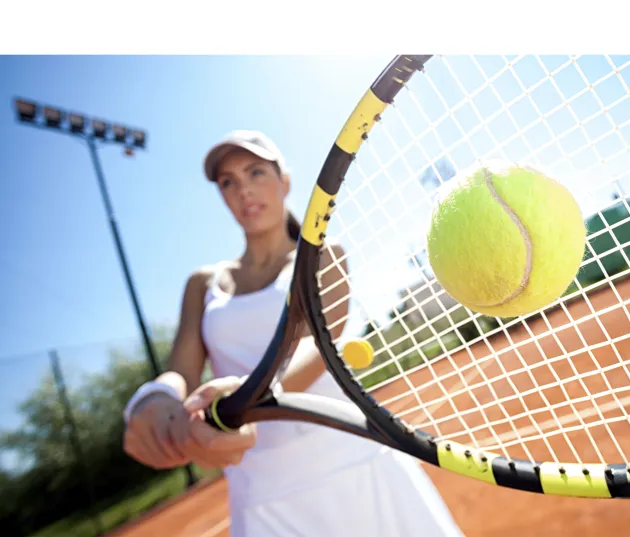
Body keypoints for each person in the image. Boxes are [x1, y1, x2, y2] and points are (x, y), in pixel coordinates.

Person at [122, 130, 465, 537]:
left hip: (355, 462)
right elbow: (180, 369)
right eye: (228, 182)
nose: (244, 190)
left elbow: (316, 346)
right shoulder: (203, 283)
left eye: (255, 172)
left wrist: (245, 399)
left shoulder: (324, 256)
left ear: (284, 181)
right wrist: (156, 398)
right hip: (261, 494)